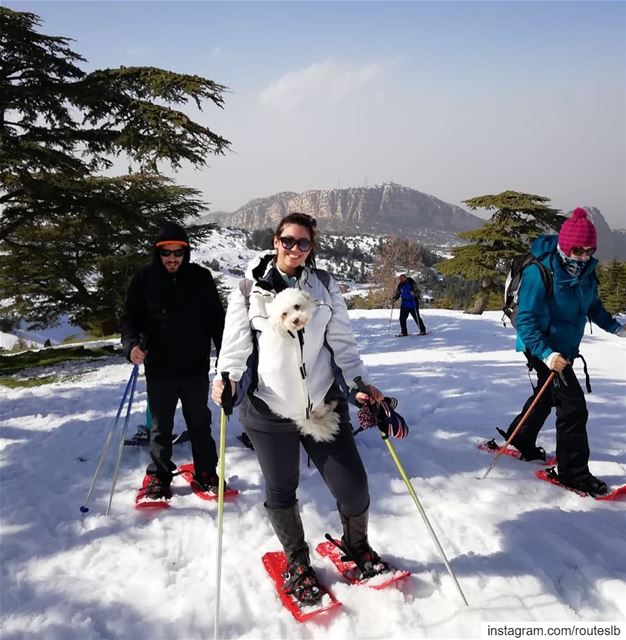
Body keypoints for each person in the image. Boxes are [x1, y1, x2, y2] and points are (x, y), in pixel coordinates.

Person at [211, 212, 390, 605]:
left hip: (321, 408)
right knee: (281, 490)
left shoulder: (324, 286)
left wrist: (358, 384)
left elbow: (342, 342)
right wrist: (225, 378)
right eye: (288, 241)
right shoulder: (247, 290)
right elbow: (235, 346)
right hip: (269, 411)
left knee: (354, 489)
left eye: (303, 243)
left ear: (312, 248)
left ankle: (356, 545)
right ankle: (297, 562)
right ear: (275, 241)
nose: (294, 248)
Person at [499, 208, 625, 496]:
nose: (582, 256)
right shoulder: (539, 272)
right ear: (564, 246)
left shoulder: (585, 273)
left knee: (545, 397)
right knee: (573, 407)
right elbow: (526, 322)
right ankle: (573, 473)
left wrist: (616, 328)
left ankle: (519, 440)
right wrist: (547, 354)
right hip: (540, 346)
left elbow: (592, 306)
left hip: (563, 349)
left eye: (588, 250)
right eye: (577, 250)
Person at [120, 222, 225, 500]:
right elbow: (129, 319)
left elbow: (217, 320)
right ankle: (159, 475)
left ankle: (206, 472)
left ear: (186, 252)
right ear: (158, 253)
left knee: (199, 422)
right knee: (160, 426)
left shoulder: (200, 277)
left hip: (194, 366)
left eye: (178, 252)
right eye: (166, 252)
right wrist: (131, 346)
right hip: (160, 367)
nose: (172, 258)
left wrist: (225, 357)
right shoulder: (144, 279)